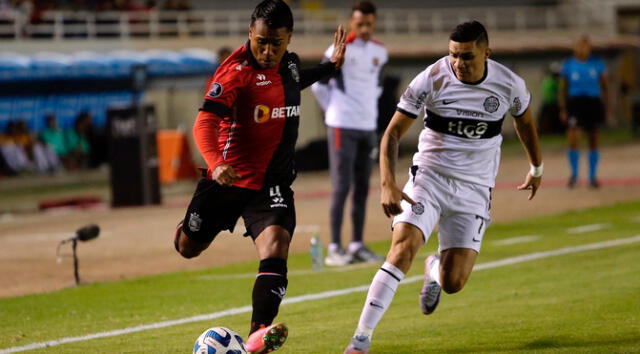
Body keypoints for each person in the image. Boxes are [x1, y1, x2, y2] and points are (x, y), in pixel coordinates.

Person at [344, 21, 543, 353]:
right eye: (453, 55)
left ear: (486, 53)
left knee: (454, 283)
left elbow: (525, 123)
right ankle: (361, 339)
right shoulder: (432, 78)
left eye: (467, 56)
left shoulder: (509, 84)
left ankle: (434, 268)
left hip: (475, 188)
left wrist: (536, 167)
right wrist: (388, 183)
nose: (459, 64)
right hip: (429, 178)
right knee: (402, 249)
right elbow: (392, 133)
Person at [172, 1, 346, 353]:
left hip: (272, 183)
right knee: (188, 248)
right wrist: (216, 162)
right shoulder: (234, 73)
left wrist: (329, 68)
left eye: (276, 44)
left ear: (289, 38)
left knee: (276, 245)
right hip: (227, 178)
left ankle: (257, 337)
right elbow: (204, 122)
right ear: (250, 32)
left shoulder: (290, 65)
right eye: (261, 42)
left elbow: (297, 79)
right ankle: (187, 229)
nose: (267, 51)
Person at [311, 1, 387, 266]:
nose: (364, 28)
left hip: (368, 127)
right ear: (352, 23)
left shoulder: (380, 52)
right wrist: (334, 112)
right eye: (359, 23)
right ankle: (334, 248)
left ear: (374, 23)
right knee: (342, 187)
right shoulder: (338, 50)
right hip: (342, 125)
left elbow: (376, 87)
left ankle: (356, 244)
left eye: (368, 23)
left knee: (363, 188)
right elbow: (318, 85)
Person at [558, 35, 609, 189]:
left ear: (589, 47)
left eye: (584, 45)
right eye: (579, 45)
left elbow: (605, 87)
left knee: (593, 139)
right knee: (573, 138)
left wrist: (607, 107)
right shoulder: (569, 65)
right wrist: (563, 108)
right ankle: (574, 176)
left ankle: (592, 177)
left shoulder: (597, 64)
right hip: (575, 103)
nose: (581, 48)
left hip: (593, 103)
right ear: (574, 47)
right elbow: (563, 89)